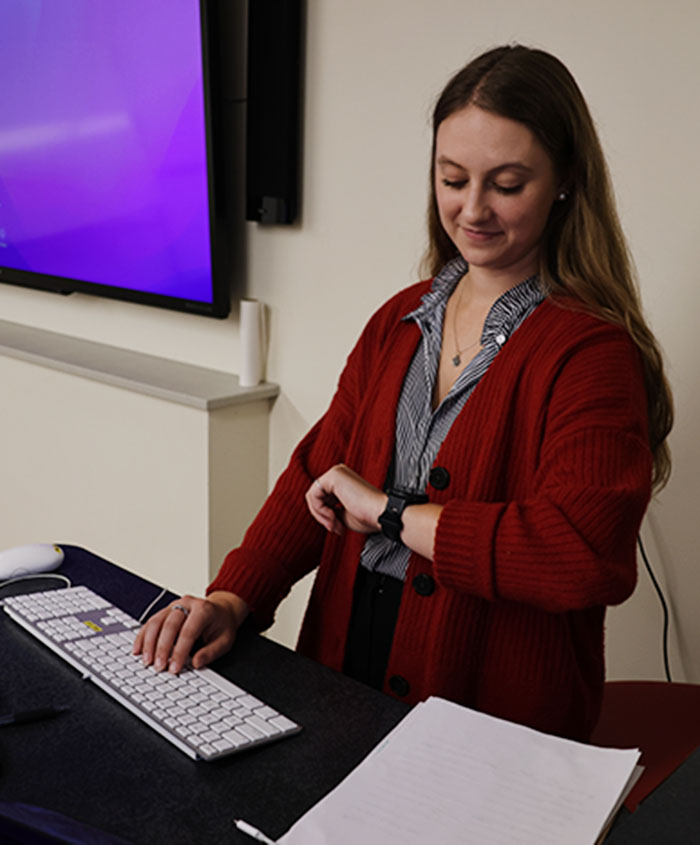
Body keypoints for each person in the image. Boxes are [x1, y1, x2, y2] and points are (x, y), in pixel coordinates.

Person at [134, 44, 673, 741]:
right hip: (343, 666)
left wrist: (391, 513)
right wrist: (235, 597)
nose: (472, 208)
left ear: (567, 180)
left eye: (506, 184)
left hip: (495, 716)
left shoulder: (591, 353)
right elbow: (317, 476)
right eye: (452, 179)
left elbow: (580, 556)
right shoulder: (400, 319)